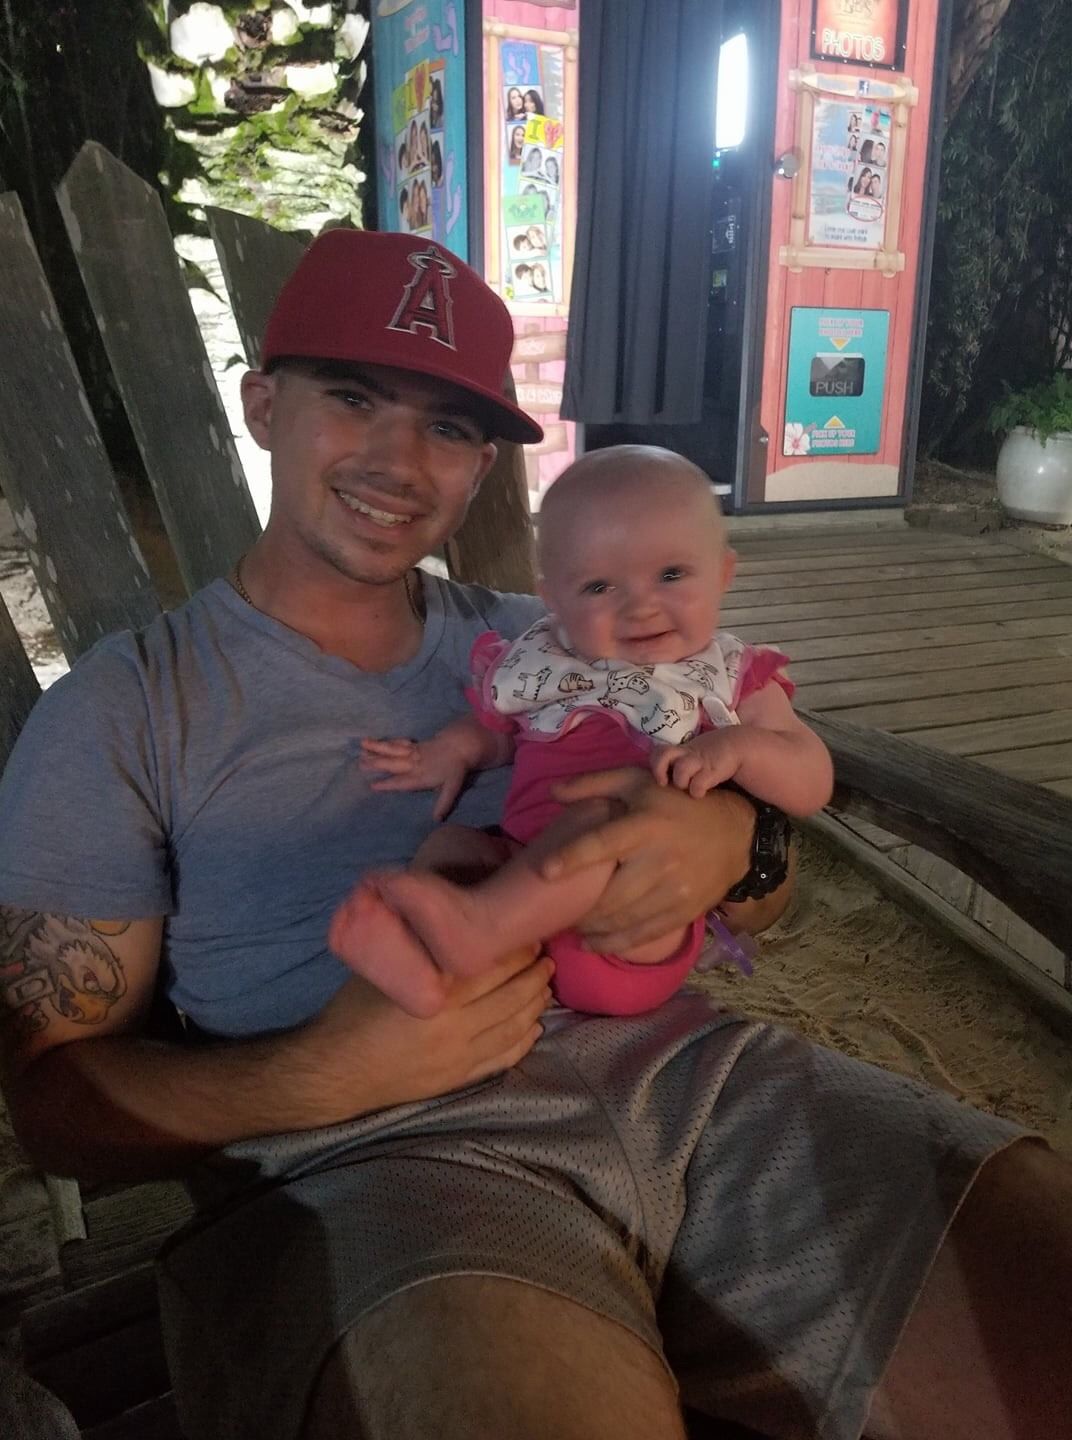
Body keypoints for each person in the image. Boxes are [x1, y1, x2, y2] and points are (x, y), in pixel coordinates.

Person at [1, 230, 1069, 1440]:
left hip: (697, 1083)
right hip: (377, 1166)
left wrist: (730, 845)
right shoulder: (128, 709)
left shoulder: (565, 629)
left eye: (448, 426)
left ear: (481, 467)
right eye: (351, 397)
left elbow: (768, 897)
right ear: (261, 405)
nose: (398, 459)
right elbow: (54, 1105)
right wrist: (324, 1075)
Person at [338, 447, 833, 1019]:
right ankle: (434, 964)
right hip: (520, 879)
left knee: (604, 815)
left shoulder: (730, 674)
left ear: (723, 574)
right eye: (599, 587)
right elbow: (500, 731)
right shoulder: (545, 660)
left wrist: (739, 748)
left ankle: (478, 930)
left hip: (628, 915)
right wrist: (450, 752)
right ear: (554, 600)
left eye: (671, 575)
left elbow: (812, 781)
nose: (641, 607)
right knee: (449, 848)